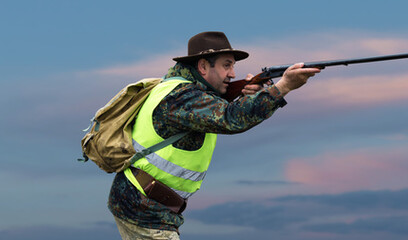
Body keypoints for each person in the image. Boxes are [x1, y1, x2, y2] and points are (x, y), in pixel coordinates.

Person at [107, 31, 320, 239]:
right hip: (145, 209)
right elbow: (231, 119)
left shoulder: (180, 90)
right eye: (226, 65)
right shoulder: (183, 96)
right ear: (202, 66)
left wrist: (246, 93)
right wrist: (283, 87)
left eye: (233, 66)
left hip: (143, 203)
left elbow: (216, 112)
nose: (233, 74)